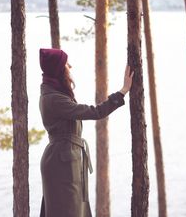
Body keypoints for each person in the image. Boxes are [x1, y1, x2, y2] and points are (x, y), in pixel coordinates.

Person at [39, 48, 134, 217]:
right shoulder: (54, 99)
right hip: (62, 162)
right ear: (58, 68)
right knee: (68, 211)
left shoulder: (53, 94)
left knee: (73, 210)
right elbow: (95, 112)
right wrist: (123, 91)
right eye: (66, 63)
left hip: (65, 159)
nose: (70, 66)